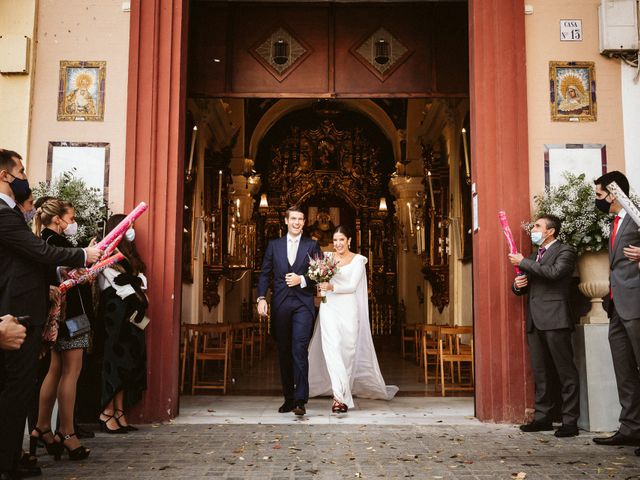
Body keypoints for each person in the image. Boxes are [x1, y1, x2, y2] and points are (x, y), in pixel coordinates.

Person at [0, 149, 101, 480]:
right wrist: (84, 255)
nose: (25, 177)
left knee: (25, 385)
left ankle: (19, 449)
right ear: (5, 176)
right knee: (18, 388)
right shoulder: (4, 214)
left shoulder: (12, 215)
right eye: (21, 170)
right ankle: (9, 459)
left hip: (31, 312)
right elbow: (40, 253)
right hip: (16, 315)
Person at [308, 226, 398, 412]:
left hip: (349, 309)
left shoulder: (358, 260)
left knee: (347, 352)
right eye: (335, 240)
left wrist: (331, 288)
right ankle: (339, 398)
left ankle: (344, 391)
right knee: (332, 350)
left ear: (349, 240)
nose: (338, 244)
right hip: (329, 308)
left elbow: (351, 286)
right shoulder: (327, 259)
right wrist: (321, 292)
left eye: (342, 240)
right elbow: (320, 284)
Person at [29, 198, 92, 461]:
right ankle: (67, 433)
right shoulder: (57, 244)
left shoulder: (40, 240)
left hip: (56, 315)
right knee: (71, 371)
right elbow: (75, 273)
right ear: (58, 220)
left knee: (55, 370)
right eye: (71, 219)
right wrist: (89, 260)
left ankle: (42, 427)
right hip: (70, 315)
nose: (72, 224)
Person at [508, 215, 580, 437]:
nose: (533, 230)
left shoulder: (566, 251)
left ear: (551, 231)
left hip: (556, 318)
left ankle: (569, 421)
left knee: (565, 371)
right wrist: (518, 285)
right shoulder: (533, 256)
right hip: (535, 320)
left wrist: (523, 263)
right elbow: (526, 285)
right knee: (540, 372)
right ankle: (543, 418)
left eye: (538, 226)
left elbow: (555, 273)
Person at [256, 206, 322, 416]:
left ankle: (301, 400)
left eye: (300, 219)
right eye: (293, 218)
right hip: (281, 304)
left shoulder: (312, 245)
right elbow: (265, 273)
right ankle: (288, 398)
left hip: (303, 304)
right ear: (286, 221)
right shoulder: (274, 246)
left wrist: (301, 279)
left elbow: (320, 273)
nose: (296, 222)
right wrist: (261, 298)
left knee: (299, 348)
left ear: (304, 222)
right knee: (284, 351)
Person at [590, 171, 640, 451]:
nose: (597, 200)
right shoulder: (616, 223)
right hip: (617, 306)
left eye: (599, 195)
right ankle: (631, 427)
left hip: (636, 303)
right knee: (624, 370)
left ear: (614, 193)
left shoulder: (636, 216)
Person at [97, 214, 148, 434]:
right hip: (115, 312)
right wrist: (132, 288)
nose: (132, 230)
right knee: (115, 359)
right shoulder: (108, 251)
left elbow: (141, 278)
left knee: (130, 359)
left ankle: (120, 409)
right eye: (129, 226)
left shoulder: (130, 253)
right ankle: (106, 411)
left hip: (132, 309)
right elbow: (111, 279)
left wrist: (136, 283)